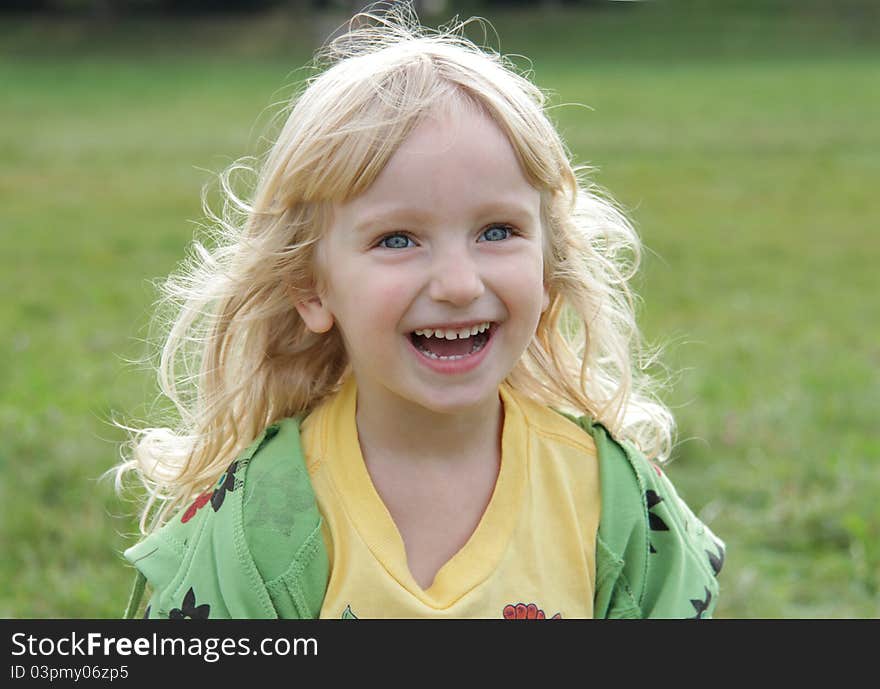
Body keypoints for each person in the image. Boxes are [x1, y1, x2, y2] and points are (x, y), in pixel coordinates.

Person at [117, 3, 724, 620]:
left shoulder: (611, 499)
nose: (459, 284)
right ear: (311, 287)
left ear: (550, 264)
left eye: (497, 231)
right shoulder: (264, 517)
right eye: (397, 240)